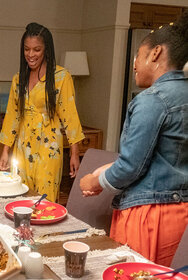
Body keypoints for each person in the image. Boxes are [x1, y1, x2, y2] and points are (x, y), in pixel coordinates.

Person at [80, 12, 188, 266]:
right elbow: (160, 157)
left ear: (156, 53)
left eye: (137, 55)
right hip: (180, 211)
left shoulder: (152, 99)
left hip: (150, 217)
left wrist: (95, 180)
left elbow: (131, 167)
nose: (135, 64)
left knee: (131, 271)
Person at [0, 22, 84, 202]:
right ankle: (21, 231)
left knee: (44, 201)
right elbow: (12, 116)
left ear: (46, 49)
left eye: (36, 49)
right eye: (26, 49)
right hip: (22, 146)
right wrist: (6, 150)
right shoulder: (18, 79)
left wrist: (75, 153)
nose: (30, 54)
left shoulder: (61, 77)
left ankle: (46, 231)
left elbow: (70, 116)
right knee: (20, 197)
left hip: (48, 147)